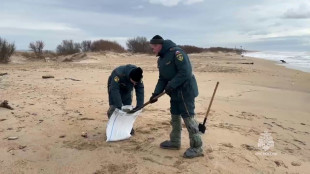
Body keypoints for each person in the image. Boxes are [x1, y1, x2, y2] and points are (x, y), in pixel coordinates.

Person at [149, 35, 203, 158]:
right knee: (174, 116)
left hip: (185, 90)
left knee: (188, 117)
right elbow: (162, 78)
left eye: (153, 47)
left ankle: (197, 147)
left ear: (159, 45)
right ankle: (175, 142)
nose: (153, 50)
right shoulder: (161, 59)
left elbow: (185, 72)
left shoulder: (177, 53)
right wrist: (155, 94)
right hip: (173, 92)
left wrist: (171, 85)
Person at [107, 65, 144, 135]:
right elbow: (114, 90)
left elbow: (140, 89)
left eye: (136, 83)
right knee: (115, 106)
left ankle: (126, 126)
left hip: (127, 88)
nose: (135, 84)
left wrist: (140, 105)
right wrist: (119, 106)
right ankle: (114, 124)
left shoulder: (138, 77)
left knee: (127, 106)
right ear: (130, 77)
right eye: (134, 82)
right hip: (114, 86)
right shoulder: (118, 74)